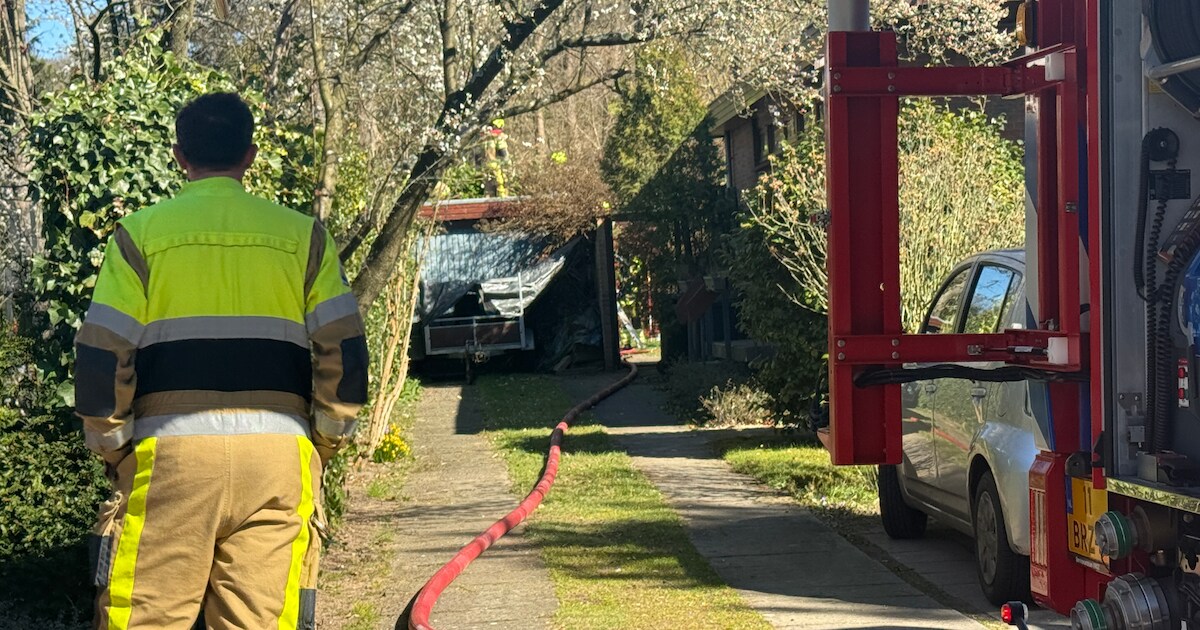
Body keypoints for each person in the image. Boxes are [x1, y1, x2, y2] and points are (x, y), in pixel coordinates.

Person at [75, 92, 368, 629]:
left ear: (179, 155)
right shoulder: (303, 238)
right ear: (251, 156)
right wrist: (322, 442)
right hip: (279, 458)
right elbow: (344, 353)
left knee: (146, 619)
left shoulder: (139, 237)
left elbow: (100, 356)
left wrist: (115, 448)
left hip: (169, 459)